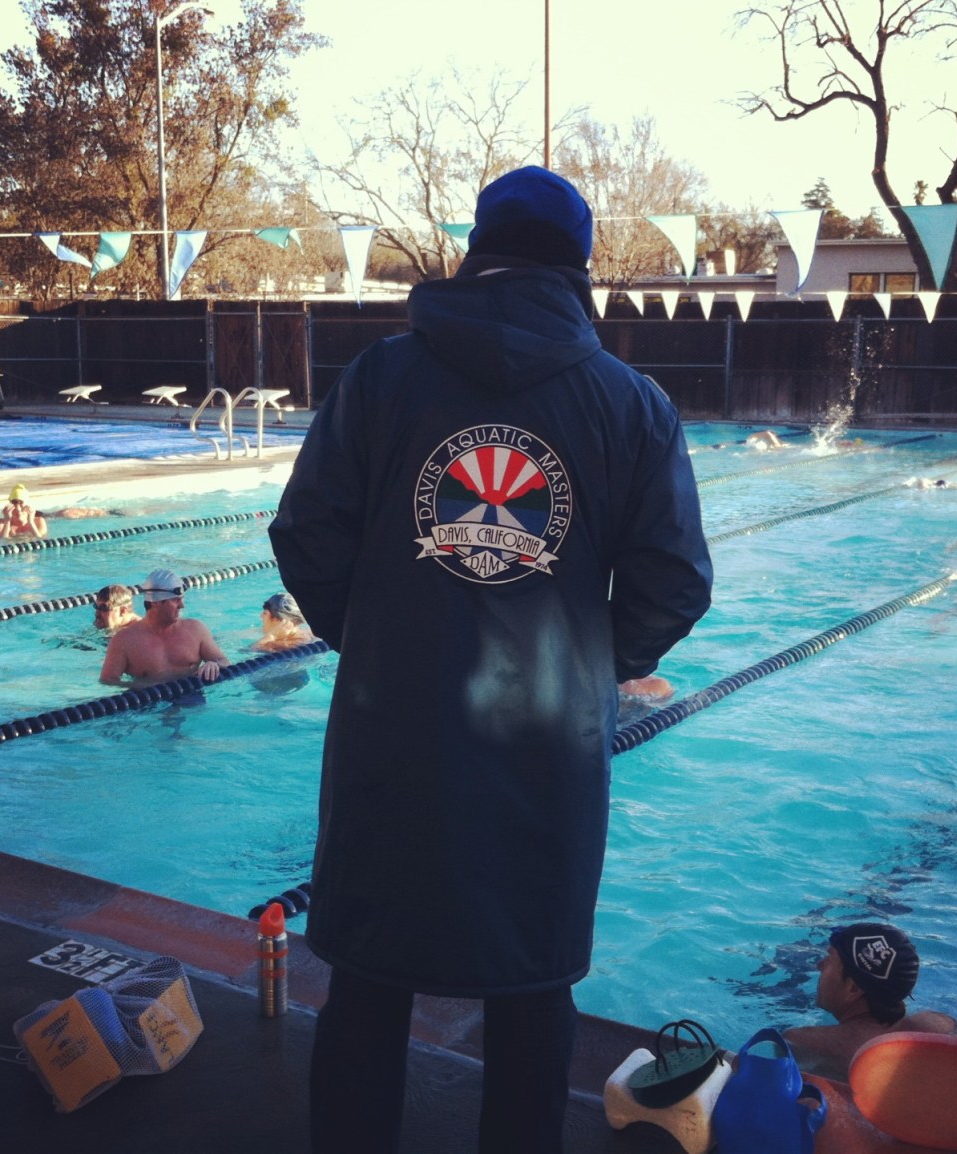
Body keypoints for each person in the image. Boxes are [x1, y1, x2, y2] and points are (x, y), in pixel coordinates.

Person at [269, 165, 713, 1154]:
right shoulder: (629, 404)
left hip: (393, 731)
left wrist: (384, 637)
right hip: (545, 754)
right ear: (579, 267)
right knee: (530, 992)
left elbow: (304, 534)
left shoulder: (382, 378)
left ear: (475, 250)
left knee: (368, 985)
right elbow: (674, 579)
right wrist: (593, 666)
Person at [784, 923, 957, 1081]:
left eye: (829, 960)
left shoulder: (802, 1043)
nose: (819, 965)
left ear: (852, 989)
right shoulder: (941, 1027)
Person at [99, 568, 229, 686]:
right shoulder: (124, 640)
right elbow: (107, 680)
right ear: (155, 603)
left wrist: (214, 664)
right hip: (149, 704)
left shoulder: (195, 629)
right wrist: (137, 687)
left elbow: (224, 662)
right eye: (175, 600)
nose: (182, 605)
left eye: (181, 599)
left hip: (193, 697)